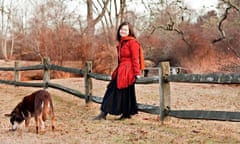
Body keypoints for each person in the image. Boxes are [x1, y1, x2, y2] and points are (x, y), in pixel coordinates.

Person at [93, 21, 144, 120]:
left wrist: (137, 72)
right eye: (121, 29)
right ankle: (125, 114)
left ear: (130, 31)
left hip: (128, 70)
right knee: (121, 91)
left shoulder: (132, 42)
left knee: (115, 91)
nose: (123, 31)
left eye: (125, 30)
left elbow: (135, 58)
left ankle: (104, 113)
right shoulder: (122, 43)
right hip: (121, 68)